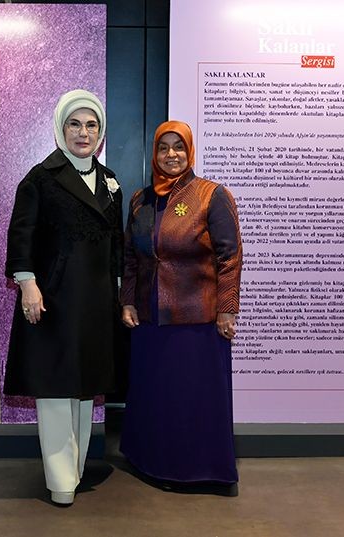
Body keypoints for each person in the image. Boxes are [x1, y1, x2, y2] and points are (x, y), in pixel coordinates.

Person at [3, 89, 124, 506]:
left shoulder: (110, 181)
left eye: (91, 125)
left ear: (100, 133)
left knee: (84, 389)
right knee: (55, 392)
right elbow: (21, 235)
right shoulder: (40, 177)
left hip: (95, 302)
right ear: (61, 128)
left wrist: (119, 292)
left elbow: (117, 242)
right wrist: (27, 283)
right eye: (75, 124)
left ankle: (74, 470)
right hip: (52, 300)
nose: (83, 133)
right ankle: (60, 482)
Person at [119, 120, 243, 493]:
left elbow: (230, 257)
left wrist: (227, 308)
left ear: (189, 152)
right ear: (154, 153)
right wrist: (127, 300)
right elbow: (130, 257)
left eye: (178, 147)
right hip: (149, 319)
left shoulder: (212, 195)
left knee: (192, 398)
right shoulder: (140, 200)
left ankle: (197, 471)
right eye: (163, 147)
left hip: (196, 319)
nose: (171, 155)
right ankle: (152, 463)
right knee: (156, 396)